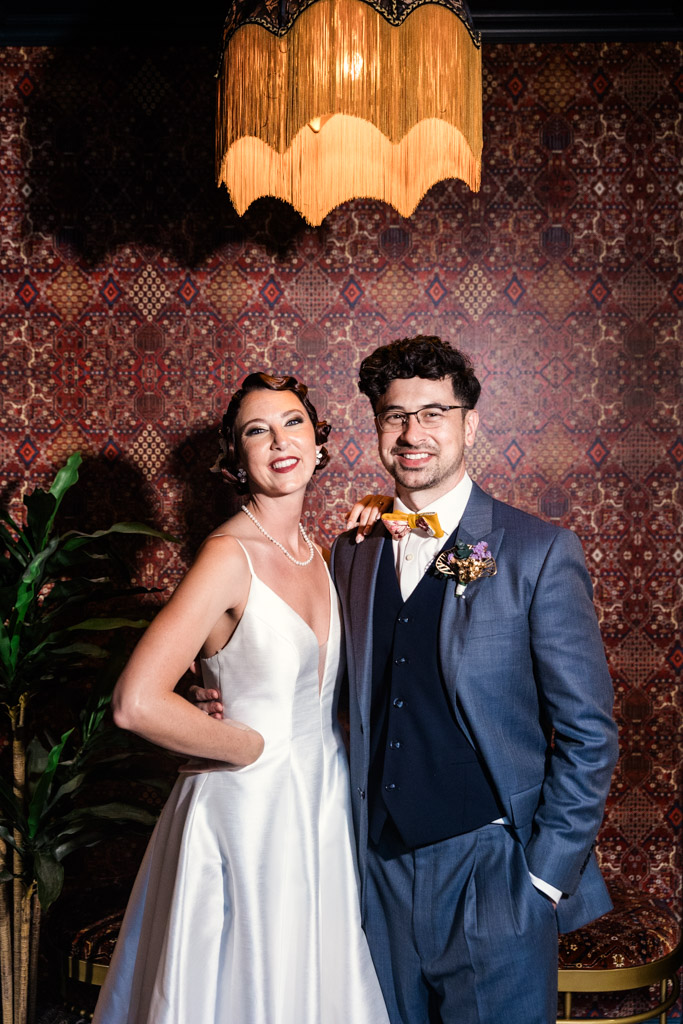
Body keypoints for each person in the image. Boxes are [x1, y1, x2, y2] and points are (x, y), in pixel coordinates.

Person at [329, 336, 619, 1024]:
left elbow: (587, 731)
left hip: (494, 866)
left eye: (432, 413)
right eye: (394, 416)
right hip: (376, 868)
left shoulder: (536, 551)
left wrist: (542, 878)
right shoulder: (353, 551)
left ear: (470, 423)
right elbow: (324, 690)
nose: (411, 433)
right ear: (376, 429)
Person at [93, 373, 389, 1024]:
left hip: (320, 807)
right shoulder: (227, 555)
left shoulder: (326, 554)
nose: (279, 441)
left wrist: (378, 511)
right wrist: (248, 743)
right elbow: (136, 701)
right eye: (257, 430)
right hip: (244, 816)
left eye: (292, 423)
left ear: (318, 444)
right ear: (237, 458)